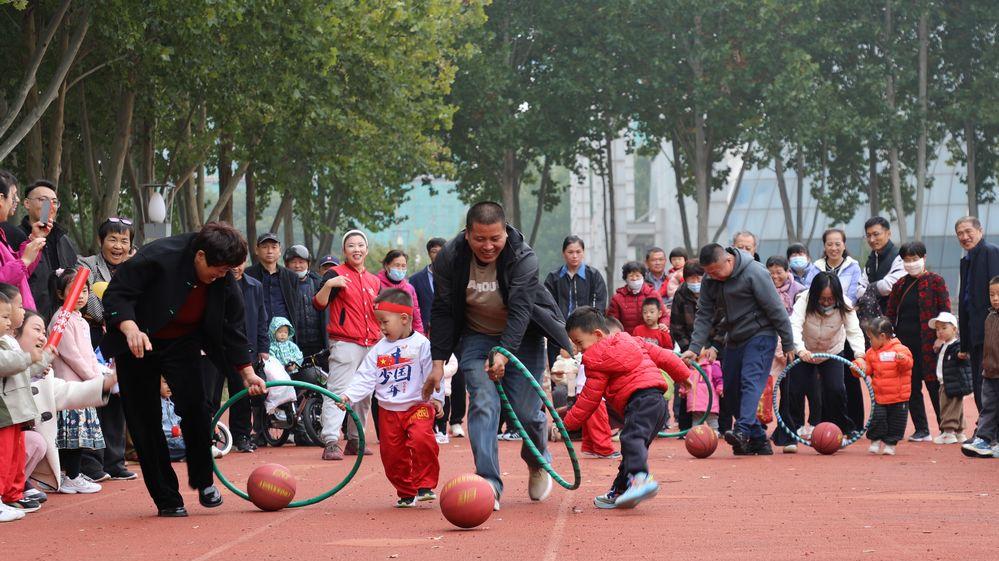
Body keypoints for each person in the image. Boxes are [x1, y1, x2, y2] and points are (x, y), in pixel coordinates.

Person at [101, 222, 267, 517]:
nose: (221, 276)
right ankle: (167, 498)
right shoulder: (158, 256)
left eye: (227, 271)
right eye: (218, 269)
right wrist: (130, 328)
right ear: (200, 256)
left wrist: (247, 372)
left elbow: (233, 328)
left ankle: (204, 481)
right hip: (139, 340)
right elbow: (117, 295)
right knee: (145, 420)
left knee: (196, 408)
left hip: (183, 341)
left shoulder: (223, 277)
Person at [421, 202, 573, 509]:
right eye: (480, 239)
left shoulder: (523, 257)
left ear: (505, 233)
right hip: (476, 337)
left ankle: (536, 459)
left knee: (528, 414)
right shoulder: (449, 258)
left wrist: (504, 353)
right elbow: (442, 311)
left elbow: (520, 312)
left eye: (495, 239)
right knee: (484, 402)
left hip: (523, 337)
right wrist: (437, 362)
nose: (488, 246)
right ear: (468, 235)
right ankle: (488, 481)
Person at [562, 307, 690, 509]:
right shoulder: (633, 340)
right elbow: (664, 356)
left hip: (638, 402)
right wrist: (683, 375)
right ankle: (622, 489)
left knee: (631, 440)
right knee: (632, 447)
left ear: (597, 335)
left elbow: (589, 399)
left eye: (579, 343)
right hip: (657, 402)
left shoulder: (595, 360)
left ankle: (641, 479)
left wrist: (567, 424)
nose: (578, 349)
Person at [680, 244, 795, 455]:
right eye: (709, 273)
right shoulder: (710, 278)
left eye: (716, 271)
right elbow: (704, 313)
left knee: (750, 381)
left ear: (728, 261)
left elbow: (775, 308)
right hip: (733, 336)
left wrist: (788, 342)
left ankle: (741, 431)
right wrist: (694, 347)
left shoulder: (755, 272)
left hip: (761, 334)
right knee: (730, 390)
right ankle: (758, 439)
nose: (713, 276)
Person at [339, 289, 444, 507]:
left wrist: (437, 398)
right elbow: (365, 377)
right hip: (388, 411)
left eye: (385, 322)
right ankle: (406, 491)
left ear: (404, 318)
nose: (382, 328)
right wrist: (349, 396)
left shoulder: (422, 345)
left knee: (422, 439)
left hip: (417, 406)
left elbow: (434, 373)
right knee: (392, 455)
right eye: (379, 323)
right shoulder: (379, 350)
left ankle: (425, 485)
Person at [20, 310, 113, 498]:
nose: (42, 337)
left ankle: (17, 484)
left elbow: (67, 392)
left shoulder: (44, 375)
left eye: (44, 333)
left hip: (83, 380)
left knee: (35, 442)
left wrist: (106, 383)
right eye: (36, 330)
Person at [313, 230, 381, 461]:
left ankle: (355, 438)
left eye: (361, 245)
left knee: (364, 395)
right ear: (344, 251)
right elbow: (319, 304)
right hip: (345, 342)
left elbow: (379, 313)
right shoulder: (335, 274)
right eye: (351, 245)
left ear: (367, 249)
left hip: (371, 343)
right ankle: (331, 440)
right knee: (338, 391)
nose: (357, 249)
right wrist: (330, 284)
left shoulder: (374, 281)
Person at [77, 217, 136, 481]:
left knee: (117, 399)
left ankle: (115, 460)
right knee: (93, 396)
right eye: (113, 239)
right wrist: (118, 316)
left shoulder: (136, 268)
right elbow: (90, 303)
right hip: (92, 338)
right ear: (101, 241)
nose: (118, 246)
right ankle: (91, 463)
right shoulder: (85, 265)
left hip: (123, 339)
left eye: (124, 241)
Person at [47, 268, 111, 494]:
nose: (81, 295)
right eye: (74, 290)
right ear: (61, 294)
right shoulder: (61, 319)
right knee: (71, 438)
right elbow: (72, 355)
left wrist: (99, 374)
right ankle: (70, 475)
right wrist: (95, 379)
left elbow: (88, 355)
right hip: (71, 386)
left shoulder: (80, 320)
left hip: (84, 386)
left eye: (84, 290)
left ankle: (72, 474)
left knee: (78, 438)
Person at [786, 273, 865, 451]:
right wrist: (800, 350)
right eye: (822, 298)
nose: (827, 302)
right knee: (795, 390)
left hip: (832, 351)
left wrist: (860, 355)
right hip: (805, 351)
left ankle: (839, 429)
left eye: (830, 298)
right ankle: (791, 433)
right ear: (815, 295)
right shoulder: (804, 301)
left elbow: (854, 330)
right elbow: (794, 326)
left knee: (835, 389)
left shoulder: (845, 304)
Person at [885, 241, 950, 442]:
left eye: (915, 259)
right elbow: (890, 314)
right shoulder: (899, 285)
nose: (911, 263)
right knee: (911, 387)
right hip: (905, 345)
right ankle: (921, 429)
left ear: (924, 258)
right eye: (907, 260)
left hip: (930, 343)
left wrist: (942, 338)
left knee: (933, 385)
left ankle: (945, 427)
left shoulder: (936, 281)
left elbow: (946, 313)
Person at [0, 291, 53, 520]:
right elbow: (5, 364)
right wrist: (28, 358)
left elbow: (20, 372)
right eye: (3, 316)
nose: (9, 321)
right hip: (5, 410)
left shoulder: (8, 341)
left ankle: (12, 494)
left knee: (14, 456)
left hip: (16, 412)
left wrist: (42, 360)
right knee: (3, 457)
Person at [412, 237, 464, 437]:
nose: (438, 254)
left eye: (442, 251)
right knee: (428, 375)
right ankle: (430, 421)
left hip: (456, 333)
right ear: (429, 253)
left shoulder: (457, 276)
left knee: (458, 378)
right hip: (427, 335)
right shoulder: (417, 280)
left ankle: (457, 420)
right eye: (434, 251)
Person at [8, 180, 78, 320]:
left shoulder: (65, 241)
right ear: (27, 203)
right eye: (43, 200)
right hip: (29, 316)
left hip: (64, 319)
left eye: (54, 202)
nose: (49, 206)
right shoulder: (14, 237)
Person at [956, 216, 999, 414]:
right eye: (959, 234)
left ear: (980, 231)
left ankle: (989, 432)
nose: (964, 237)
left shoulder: (991, 252)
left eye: (968, 232)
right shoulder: (966, 260)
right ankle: (985, 428)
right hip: (975, 333)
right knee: (978, 383)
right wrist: (964, 342)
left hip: (991, 332)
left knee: (989, 384)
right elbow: (966, 303)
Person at [225, 263, 266, 453]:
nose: (235, 267)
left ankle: (241, 435)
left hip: (245, 348)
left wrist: (263, 347)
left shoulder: (255, 286)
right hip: (217, 347)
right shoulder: (215, 282)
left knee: (242, 394)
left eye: (239, 262)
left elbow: (261, 319)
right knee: (210, 395)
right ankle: (208, 436)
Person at [544, 235, 609, 353]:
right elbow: (548, 306)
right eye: (570, 252)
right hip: (559, 334)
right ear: (563, 253)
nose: (575, 256)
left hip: (587, 333)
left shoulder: (593, 276)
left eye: (578, 252)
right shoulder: (553, 278)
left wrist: (589, 328)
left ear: (583, 253)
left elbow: (599, 305)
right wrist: (557, 328)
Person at [858, 317, 913, 456]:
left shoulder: (901, 349)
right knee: (877, 418)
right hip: (880, 396)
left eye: (871, 338)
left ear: (882, 336)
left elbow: (909, 365)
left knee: (896, 422)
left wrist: (903, 360)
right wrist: (858, 367)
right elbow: (867, 370)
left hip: (899, 396)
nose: (870, 342)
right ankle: (875, 441)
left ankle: (890, 444)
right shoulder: (871, 353)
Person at [962, 277, 999, 458]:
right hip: (990, 373)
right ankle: (984, 440)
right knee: (989, 407)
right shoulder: (990, 317)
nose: (995, 298)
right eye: (992, 294)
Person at [0, 172, 46, 311]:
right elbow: (3, 282)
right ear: (1, 199)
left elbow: (20, 275)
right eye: (13, 195)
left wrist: (34, 240)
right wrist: (24, 260)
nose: (17, 200)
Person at [245, 233, 303, 343]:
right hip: (257, 335)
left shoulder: (291, 277)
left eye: (274, 247)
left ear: (279, 250)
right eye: (265, 247)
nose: (270, 251)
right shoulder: (248, 275)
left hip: (284, 335)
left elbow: (295, 307)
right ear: (257, 250)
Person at [929, 312, 971, 444]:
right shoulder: (945, 345)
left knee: (948, 407)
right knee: (956, 408)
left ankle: (948, 432)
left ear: (954, 329)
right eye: (937, 329)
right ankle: (959, 432)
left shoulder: (956, 345)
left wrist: (961, 355)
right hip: (946, 382)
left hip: (952, 382)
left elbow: (961, 355)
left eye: (944, 328)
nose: (940, 332)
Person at [283, 245, 329, 357]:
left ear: (308, 264)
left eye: (301, 262)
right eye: (293, 262)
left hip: (318, 344)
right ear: (286, 265)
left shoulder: (319, 283)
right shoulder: (282, 285)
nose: (297, 266)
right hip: (293, 345)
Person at [863, 216, 905, 314]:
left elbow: (889, 286)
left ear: (888, 233)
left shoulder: (900, 257)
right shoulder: (871, 259)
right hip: (872, 319)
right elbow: (859, 287)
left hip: (895, 316)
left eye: (876, 234)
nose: (872, 239)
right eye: (868, 235)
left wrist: (869, 289)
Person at [377, 250, 425, 334]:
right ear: (386, 266)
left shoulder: (409, 289)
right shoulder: (376, 284)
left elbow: (416, 315)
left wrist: (420, 334)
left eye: (403, 266)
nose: (400, 269)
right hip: (382, 336)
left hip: (404, 338)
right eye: (397, 265)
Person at [608, 261, 663, 334]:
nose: (634, 278)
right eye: (631, 276)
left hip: (650, 338)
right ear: (625, 278)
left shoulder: (653, 294)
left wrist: (663, 324)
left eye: (637, 275)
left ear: (643, 277)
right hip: (627, 339)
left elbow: (664, 315)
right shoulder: (617, 298)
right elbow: (612, 322)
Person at [814, 229, 866, 304]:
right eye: (829, 244)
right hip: (819, 310)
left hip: (845, 310)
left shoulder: (853, 267)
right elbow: (808, 291)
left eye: (837, 244)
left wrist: (842, 309)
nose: (833, 248)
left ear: (844, 246)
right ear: (824, 246)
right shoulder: (816, 267)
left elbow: (853, 295)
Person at [681, 358, 723, 432]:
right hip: (696, 403)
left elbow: (718, 378)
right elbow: (685, 381)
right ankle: (696, 436)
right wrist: (683, 391)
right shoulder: (690, 367)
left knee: (712, 420)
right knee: (697, 422)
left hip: (709, 402)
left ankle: (714, 434)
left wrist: (720, 388)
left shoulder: (712, 366)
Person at [160, 379, 186, 462]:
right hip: (166, 441)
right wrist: (174, 432)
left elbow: (179, 422)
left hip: (176, 440)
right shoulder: (157, 407)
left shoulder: (172, 405)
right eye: (165, 382)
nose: (169, 386)